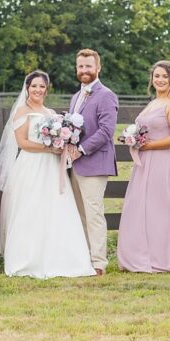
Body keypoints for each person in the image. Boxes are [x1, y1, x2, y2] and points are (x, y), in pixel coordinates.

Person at [0, 71, 95, 279]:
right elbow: (23, 142)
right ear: (27, 88)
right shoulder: (22, 111)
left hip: (52, 168)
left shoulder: (52, 114)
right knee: (30, 209)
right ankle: (27, 259)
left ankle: (60, 257)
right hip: (31, 166)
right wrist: (49, 149)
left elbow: (61, 139)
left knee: (55, 208)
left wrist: (61, 143)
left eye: (42, 86)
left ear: (47, 89)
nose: (37, 90)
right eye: (34, 86)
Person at [116, 61, 170, 274]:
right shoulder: (154, 102)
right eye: (157, 76)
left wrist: (148, 145)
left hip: (162, 160)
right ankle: (139, 254)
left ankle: (160, 258)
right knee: (139, 207)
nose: (160, 80)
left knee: (159, 208)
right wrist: (134, 139)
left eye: (165, 76)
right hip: (145, 161)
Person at [66, 49, 119, 275]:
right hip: (73, 165)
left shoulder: (106, 95)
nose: (84, 70)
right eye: (80, 66)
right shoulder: (75, 97)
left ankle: (99, 262)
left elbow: (107, 131)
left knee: (94, 213)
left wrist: (81, 149)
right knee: (79, 213)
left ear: (98, 68)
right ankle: (84, 257)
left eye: (88, 66)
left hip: (94, 163)